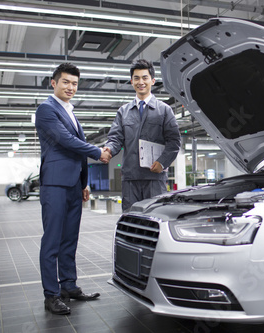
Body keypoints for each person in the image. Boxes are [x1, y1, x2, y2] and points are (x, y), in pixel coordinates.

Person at [35, 63, 111, 315]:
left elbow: (76, 150)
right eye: (66, 82)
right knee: (52, 242)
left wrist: (84, 183)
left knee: (69, 240)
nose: (70, 87)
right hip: (55, 184)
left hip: (72, 185)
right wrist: (98, 152)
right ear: (53, 83)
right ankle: (51, 294)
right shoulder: (45, 110)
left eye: (75, 83)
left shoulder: (70, 111)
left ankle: (68, 286)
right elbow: (67, 141)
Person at [105, 59, 181, 211]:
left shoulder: (164, 110)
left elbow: (174, 142)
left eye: (145, 77)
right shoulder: (123, 111)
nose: (141, 82)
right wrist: (108, 150)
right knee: (131, 220)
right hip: (130, 179)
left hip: (154, 178)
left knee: (155, 218)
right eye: (137, 78)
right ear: (131, 81)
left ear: (152, 80)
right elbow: (115, 138)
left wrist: (162, 162)